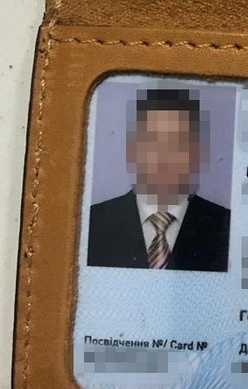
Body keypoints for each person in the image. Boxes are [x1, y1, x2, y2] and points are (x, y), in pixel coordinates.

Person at [87, 88, 230, 271]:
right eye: (153, 140)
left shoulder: (226, 228)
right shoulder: (93, 224)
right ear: (133, 150)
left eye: (178, 141)